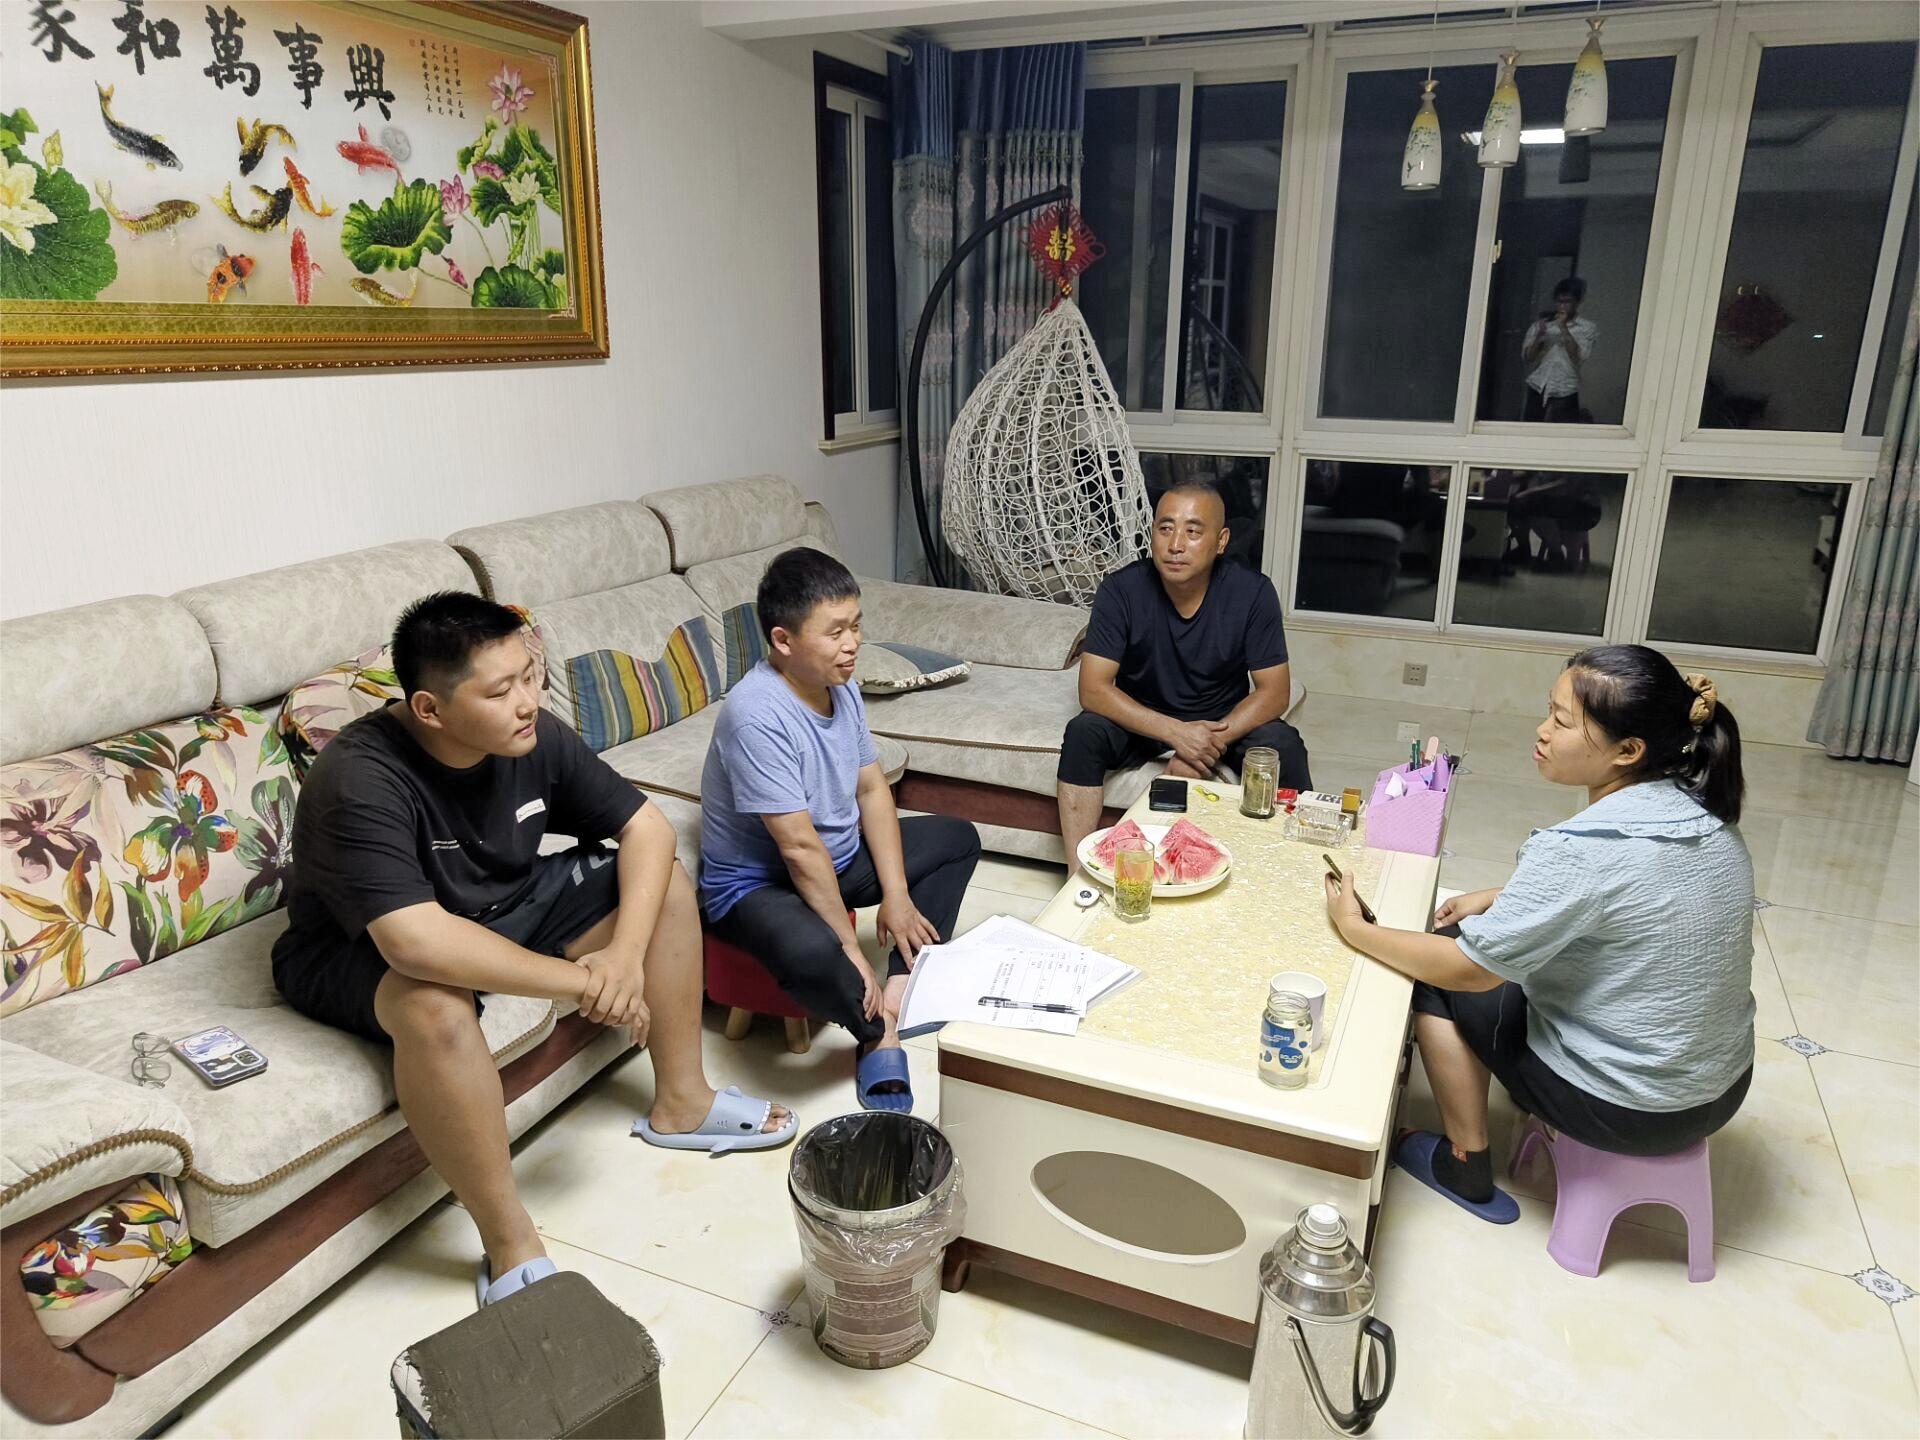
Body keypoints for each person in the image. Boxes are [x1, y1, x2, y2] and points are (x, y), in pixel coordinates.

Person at [273, 593, 795, 1310]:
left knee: (663, 886)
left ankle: (683, 1101)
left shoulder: (531, 732)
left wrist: (623, 957)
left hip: (500, 904)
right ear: (429, 709)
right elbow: (414, 941)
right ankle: (510, 1239)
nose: (527, 701)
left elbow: (648, 830)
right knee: (434, 1007)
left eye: (530, 676)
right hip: (354, 946)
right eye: (500, 691)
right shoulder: (359, 779)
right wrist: (583, 982)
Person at [1323, 645, 1754, 1223]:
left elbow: (1469, 971)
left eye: (1563, 722)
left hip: (1627, 1107)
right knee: (1478, 943)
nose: (1542, 730)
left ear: (1629, 751)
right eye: (1548, 710)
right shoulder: (1704, 814)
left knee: (1437, 969)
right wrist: (1500, 896)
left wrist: (1354, 928)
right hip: (1719, 1091)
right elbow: (1631, 898)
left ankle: (1465, 1161)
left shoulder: (1581, 849)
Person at [700, 548, 981, 1114]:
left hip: (836, 858)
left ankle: (900, 986)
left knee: (957, 840)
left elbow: (872, 789)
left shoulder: (839, 681)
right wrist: (850, 948)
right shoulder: (756, 715)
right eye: (835, 632)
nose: (852, 644)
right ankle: (878, 1034)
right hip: (759, 886)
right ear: (783, 640)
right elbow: (798, 849)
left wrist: (896, 896)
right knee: (813, 952)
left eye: (855, 626)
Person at [1057, 479, 1310, 865]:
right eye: (1165, 528)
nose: (1175, 544)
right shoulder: (1121, 590)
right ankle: (1078, 874)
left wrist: (1202, 746)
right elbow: (1093, 690)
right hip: (1141, 719)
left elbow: (1274, 693)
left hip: (1220, 720)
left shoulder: (1252, 592)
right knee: (1083, 732)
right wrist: (1177, 733)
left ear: (1221, 541)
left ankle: (1294, 864)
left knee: (1282, 743)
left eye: (1193, 532)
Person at [1521, 276, 1595, 422]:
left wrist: (1563, 327)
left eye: (1567, 301)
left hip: (1565, 388)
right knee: (1530, 427)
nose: (1562, 306)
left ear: (1577, 302)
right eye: (1559, 301)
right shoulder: (1541, 325)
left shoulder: (1587, 328)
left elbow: (1578, 357)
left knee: (1561, 431)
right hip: (1538, 384)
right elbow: (1528, 358)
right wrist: (1539, 337)